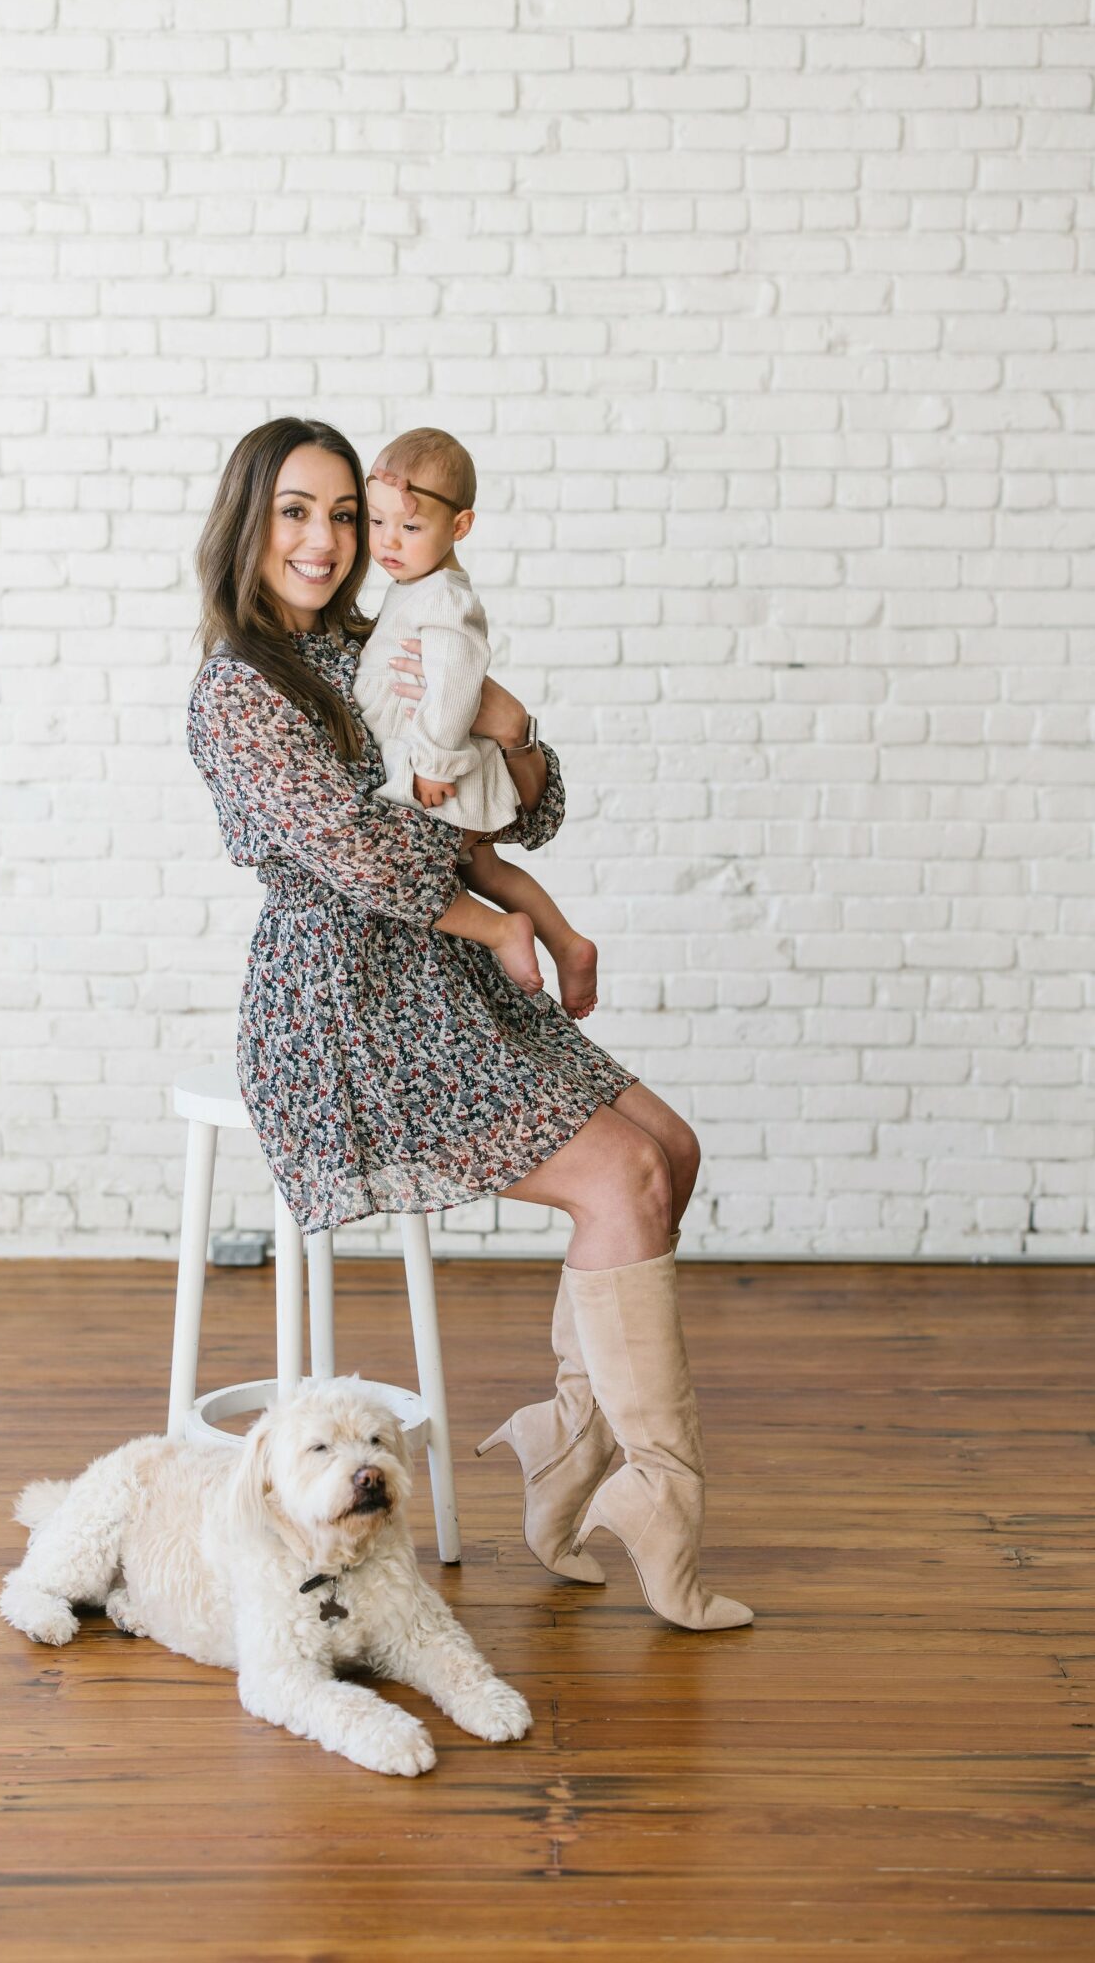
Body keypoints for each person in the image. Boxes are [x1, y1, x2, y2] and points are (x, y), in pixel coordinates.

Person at [185, 415, 753, 1633]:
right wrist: (499, 921)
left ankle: (565, 1446)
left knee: (673, 1150)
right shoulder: (239, 688)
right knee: (624, 1177)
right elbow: (359, 853)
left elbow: (518, 813)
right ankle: (664, 1504)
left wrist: (514, 730)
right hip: (345, 998)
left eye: (346, 514)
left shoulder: (381, 637)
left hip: (449, 974)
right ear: (247, 522)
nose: (327, 539)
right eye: (296, 512)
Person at [350, 425, 599, 1020]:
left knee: (413, 867)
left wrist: (435, 763)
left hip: (438, 769)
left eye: (410, 527)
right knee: (484, 868)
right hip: (439, 760)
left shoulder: (444, 597)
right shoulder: (415, 584)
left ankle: (510, 933)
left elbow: (458, 683)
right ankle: (566, 942)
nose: (388, 540)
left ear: (459, 526)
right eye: (376, 521)